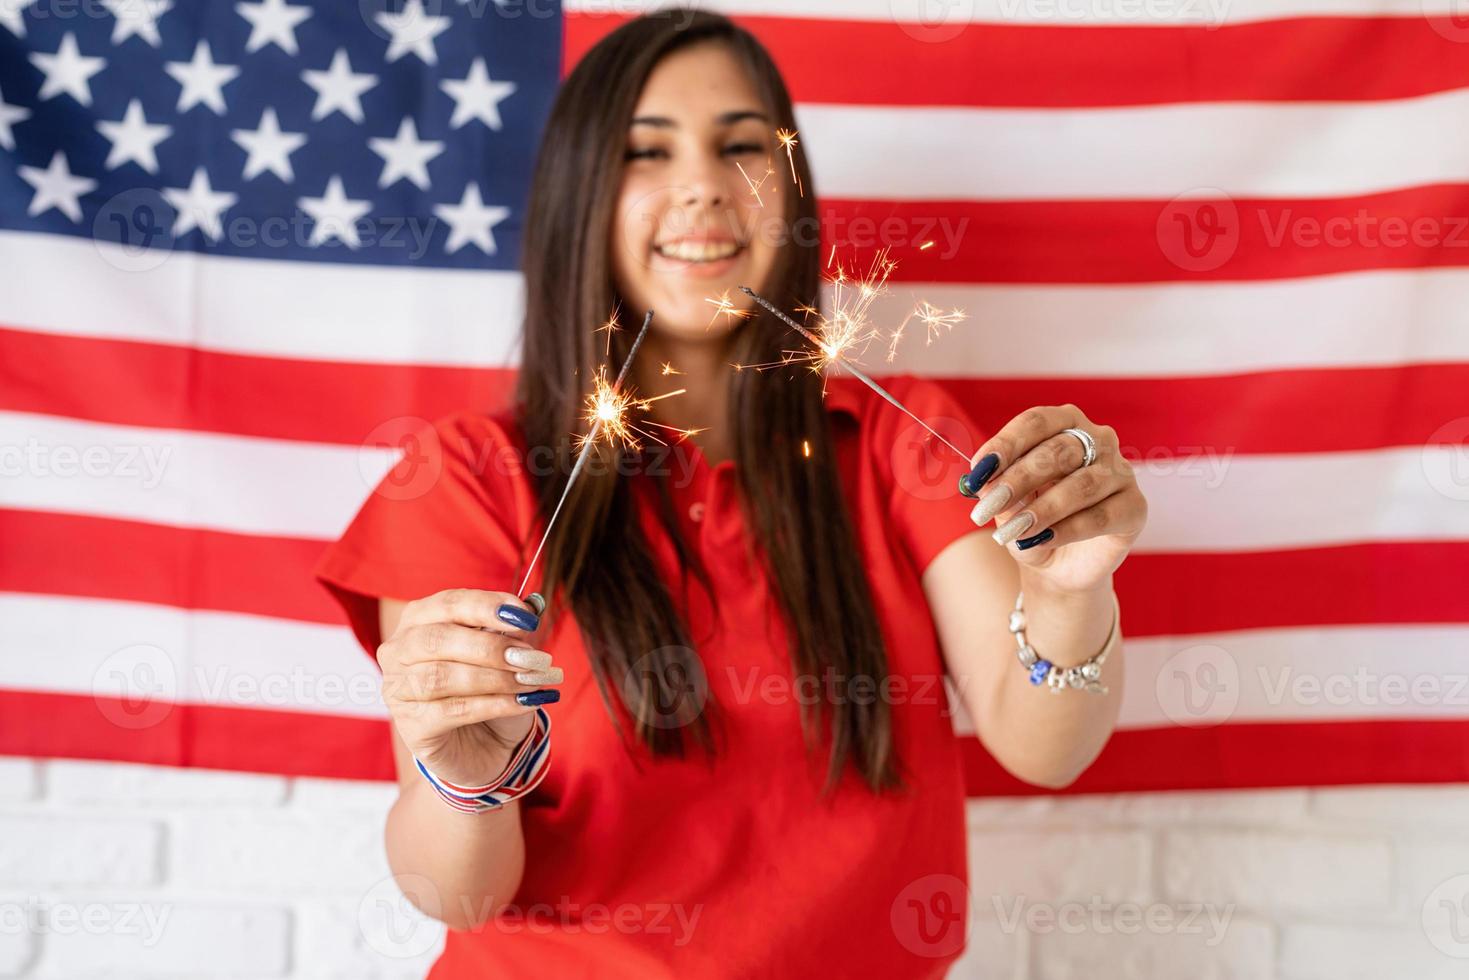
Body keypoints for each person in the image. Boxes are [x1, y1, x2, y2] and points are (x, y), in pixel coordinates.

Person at [315, 11, 1148, 978]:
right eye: (645, 151)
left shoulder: (895, 439)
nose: (704, 185)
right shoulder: (467, 477)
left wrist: (1068, 593)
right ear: (579, 193)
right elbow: (456, 895)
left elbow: (1044, 745)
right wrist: (466, 785)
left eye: (741, 145)